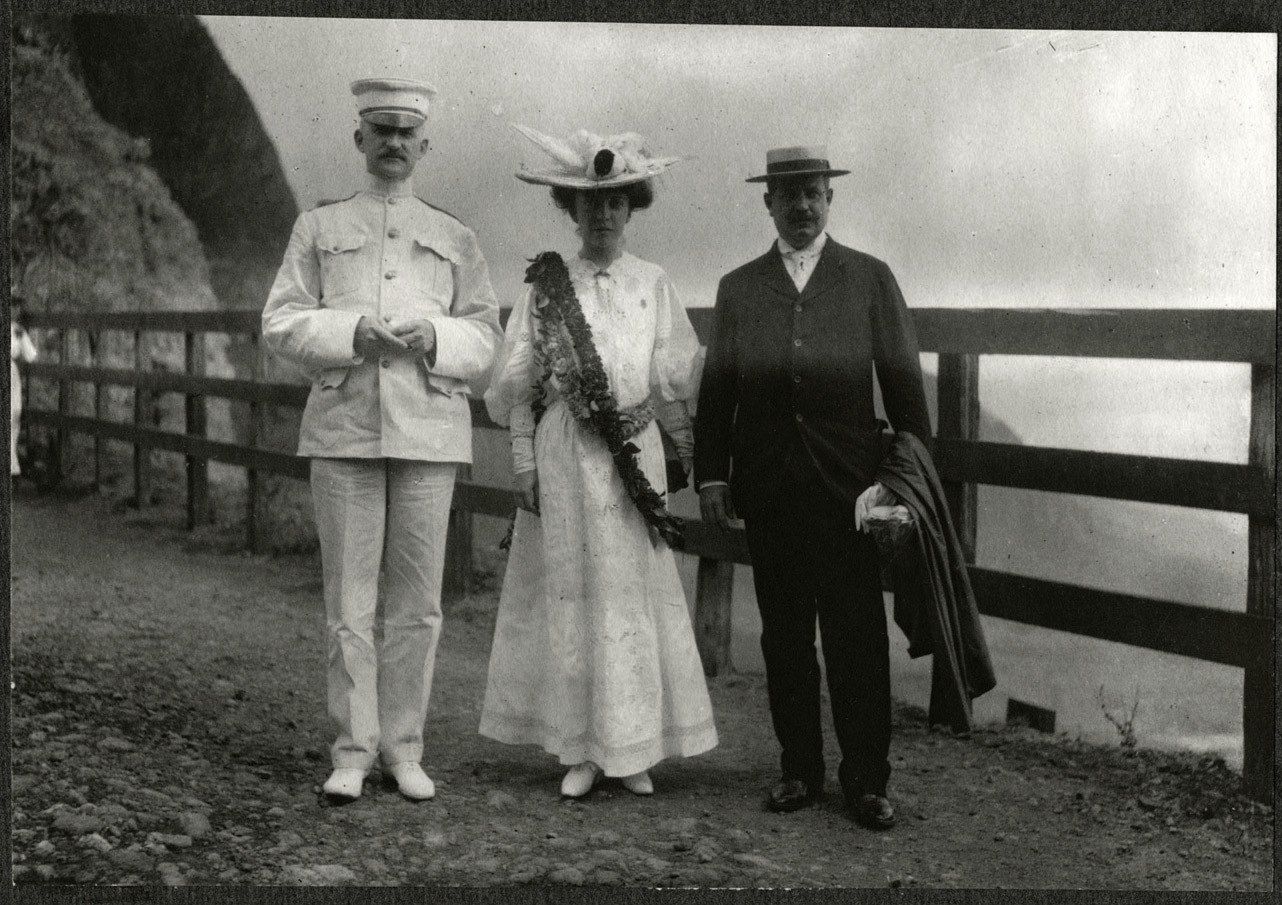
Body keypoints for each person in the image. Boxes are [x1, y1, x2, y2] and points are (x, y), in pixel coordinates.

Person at [262, 77, 501, 803]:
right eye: (381, 130)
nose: (394, 143)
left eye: (407, 132)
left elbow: (487, 338)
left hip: (428, 429)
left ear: (424, 145)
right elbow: (279, 321)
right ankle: (352, 748)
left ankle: (404, 747)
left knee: (418, 603)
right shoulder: (319, 225)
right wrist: (348, 332)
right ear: (359, 139)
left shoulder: (455, 235)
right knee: (349, 599)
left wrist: (436, 334)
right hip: (343, 427)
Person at [694, 146, 932, 830]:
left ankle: (866, 781)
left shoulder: (869, 279)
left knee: (856, 635)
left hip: (851, 495)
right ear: (767, 203)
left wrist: (903, 485)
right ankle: (798, 768)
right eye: (787, 193)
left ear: (831, 198)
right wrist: (713, 474)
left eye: (813, 193)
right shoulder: (739, 288)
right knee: (785, 634)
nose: (801, 205)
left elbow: (908, 397)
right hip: (769, 490)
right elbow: (718, 394)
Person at [480, 125, 717, 798]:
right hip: (564, 455)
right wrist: (523, 464)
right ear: (571, 209)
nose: (603, 213)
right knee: (571, 594)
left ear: (632, 204)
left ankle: (631, 746)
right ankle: (580, 748)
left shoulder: (653, 283)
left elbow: (672, 379)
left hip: (630, 458)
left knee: (629, 598)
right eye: (591, 202)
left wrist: (689, 459)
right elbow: (521, 383)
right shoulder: (547, 287)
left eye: (615, 201)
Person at [11, 300, 38, 477]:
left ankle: (11, 469)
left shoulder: (17, 331)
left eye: (16, 307)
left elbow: (31, 356)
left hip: (10, 375)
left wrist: (22, 338)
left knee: (13, 417)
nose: (13, 310)